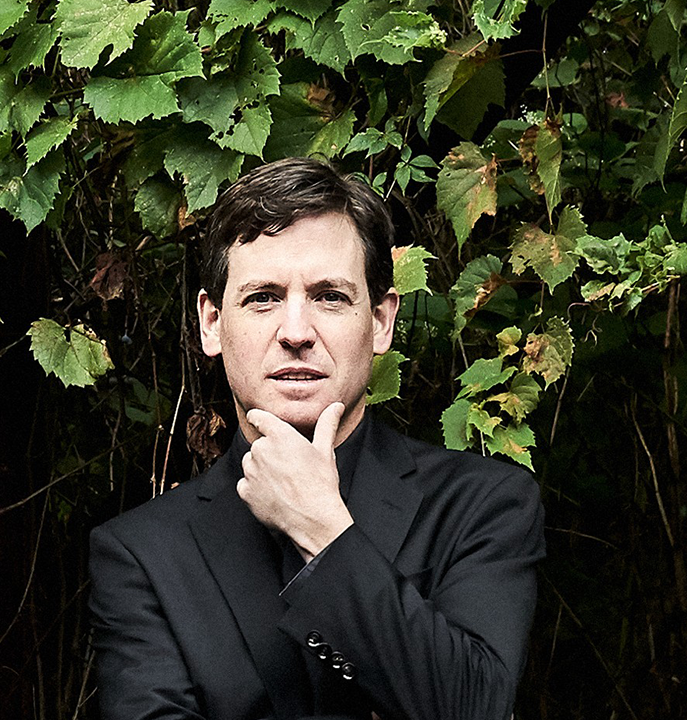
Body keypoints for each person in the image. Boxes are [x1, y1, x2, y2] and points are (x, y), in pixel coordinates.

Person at [88, 157, 545, 720]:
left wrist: (325, 532)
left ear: (380, 322)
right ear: (211, 323)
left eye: (330, 296)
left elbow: (474, 708)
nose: (297, 333)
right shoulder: (142, 556)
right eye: (263, 297)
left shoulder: (481, 506)